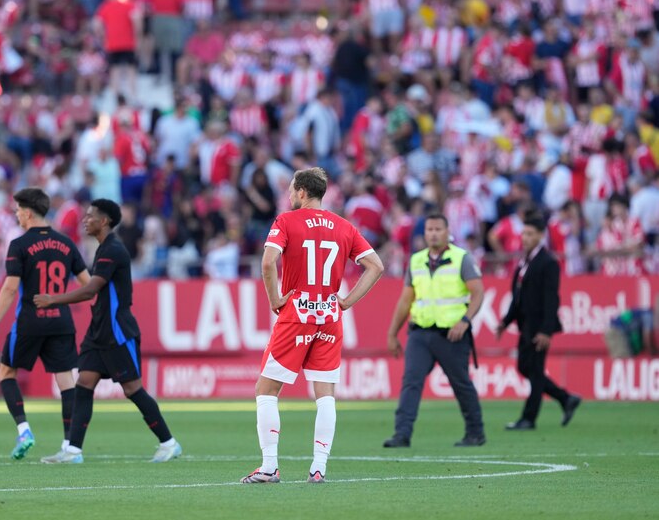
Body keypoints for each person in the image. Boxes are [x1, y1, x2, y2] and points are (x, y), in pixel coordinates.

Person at [241, 167, 384, 484]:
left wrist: (275, 298)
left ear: (302, 191)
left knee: (266, 390)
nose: (289, 195)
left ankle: (268, 466)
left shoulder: (286, 221)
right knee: (325, 395)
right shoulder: (344, 226)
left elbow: (267, 262)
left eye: (292, 189)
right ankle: (318, 467)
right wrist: (347, 301)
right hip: (330, 314)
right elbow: (376, 266)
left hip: (297, 312)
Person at [34, 198, 182, 464]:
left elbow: (91, 289)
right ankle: (73, 451)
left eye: (90, 216)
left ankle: (169, 443)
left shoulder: (113, 249)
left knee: (132, 389)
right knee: (84, 384)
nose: (84, 220)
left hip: (116, 331)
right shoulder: (103, 248)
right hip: (98, 331)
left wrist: (53, 299)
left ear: (104, 221)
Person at [0, 188, 90, 460]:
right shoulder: (66, 243)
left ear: (28, 213)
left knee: (6, 372)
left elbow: (9, 288)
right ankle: (70, 448)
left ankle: (24, 429)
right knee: (67, 382)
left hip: (30, 321)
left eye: (18, 210)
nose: (16, 215)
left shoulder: (19, 245)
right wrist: (61, 300)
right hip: (61, 321)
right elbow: (88, 284)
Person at [384, 213, 486, 448]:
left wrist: (465, 321)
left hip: (452, 333)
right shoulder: (416, 260)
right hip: (420, 332)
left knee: (460, 383)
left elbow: (478, 293)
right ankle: (402, 434)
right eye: (429, 230)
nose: (433, 234)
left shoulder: (462, 258)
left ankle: (475, 432)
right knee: (411, 381)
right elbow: (405, 300)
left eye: (438, 229)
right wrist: (392, 333)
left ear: (447, 231)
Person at [497, 212, 582, 430]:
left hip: (538, 326)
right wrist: (506, 322)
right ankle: (564, 398)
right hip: (525, 324)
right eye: (523, 233)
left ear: (541, 235)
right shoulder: (524, 262)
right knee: (525, 367)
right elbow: (518, 297)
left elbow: (551, 298)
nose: (525, 237)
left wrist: (546, 330)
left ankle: (529, 418)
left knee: (534, 371)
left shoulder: (548, 262)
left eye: (530, 234)